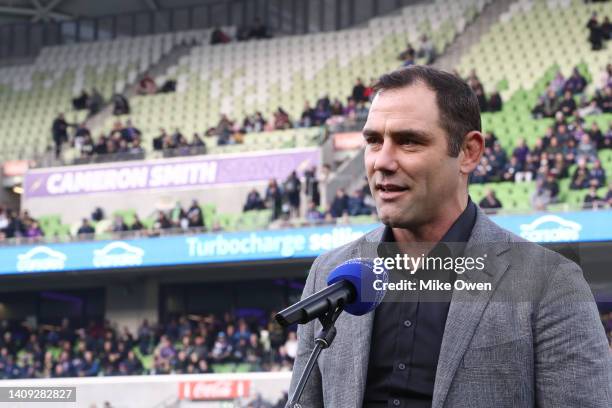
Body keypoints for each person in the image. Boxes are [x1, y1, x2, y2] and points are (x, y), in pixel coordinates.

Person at [289, 66, 611, 407]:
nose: (382, 161)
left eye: (409, 141)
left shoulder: (549, 281)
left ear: (469, 152)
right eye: (373, 141)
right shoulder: (329, 273)